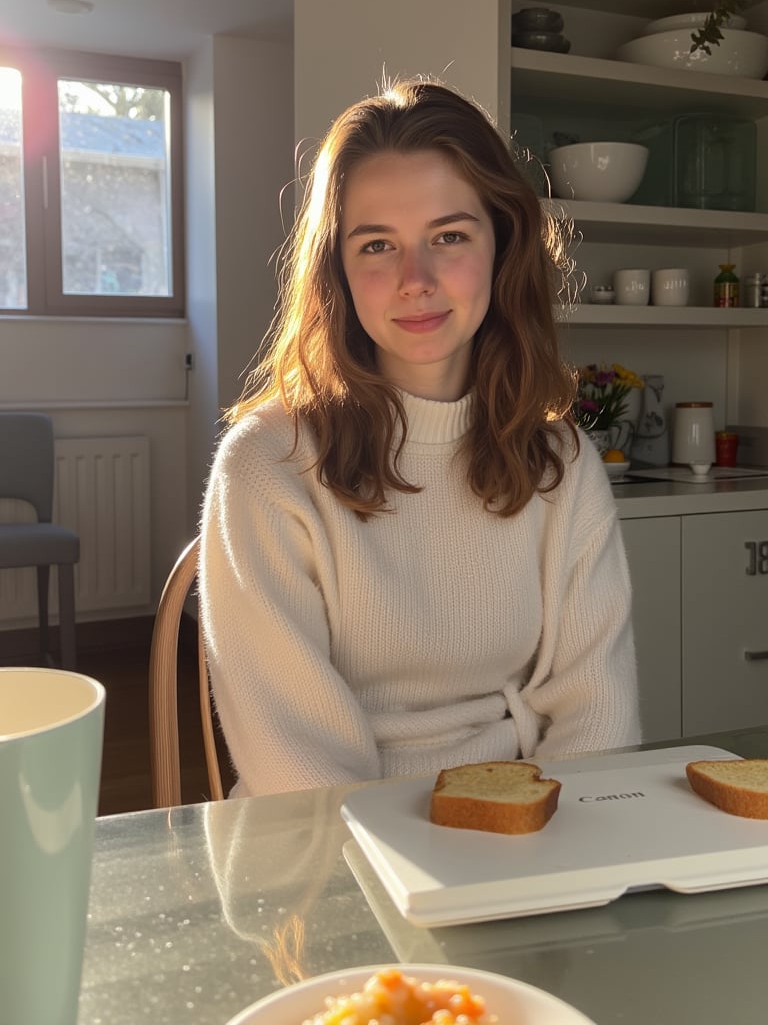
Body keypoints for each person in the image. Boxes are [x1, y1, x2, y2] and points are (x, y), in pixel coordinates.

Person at [199, 78, 640, 798]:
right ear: (337, 271)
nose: (416, 278)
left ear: (502, 246)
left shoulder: (562, 462)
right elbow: (295, 762)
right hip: (330, 851)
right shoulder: (265, 465)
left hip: (528, 823)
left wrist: (543, 847)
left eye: (450, 236)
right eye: (378, 245)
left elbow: (599, 715)